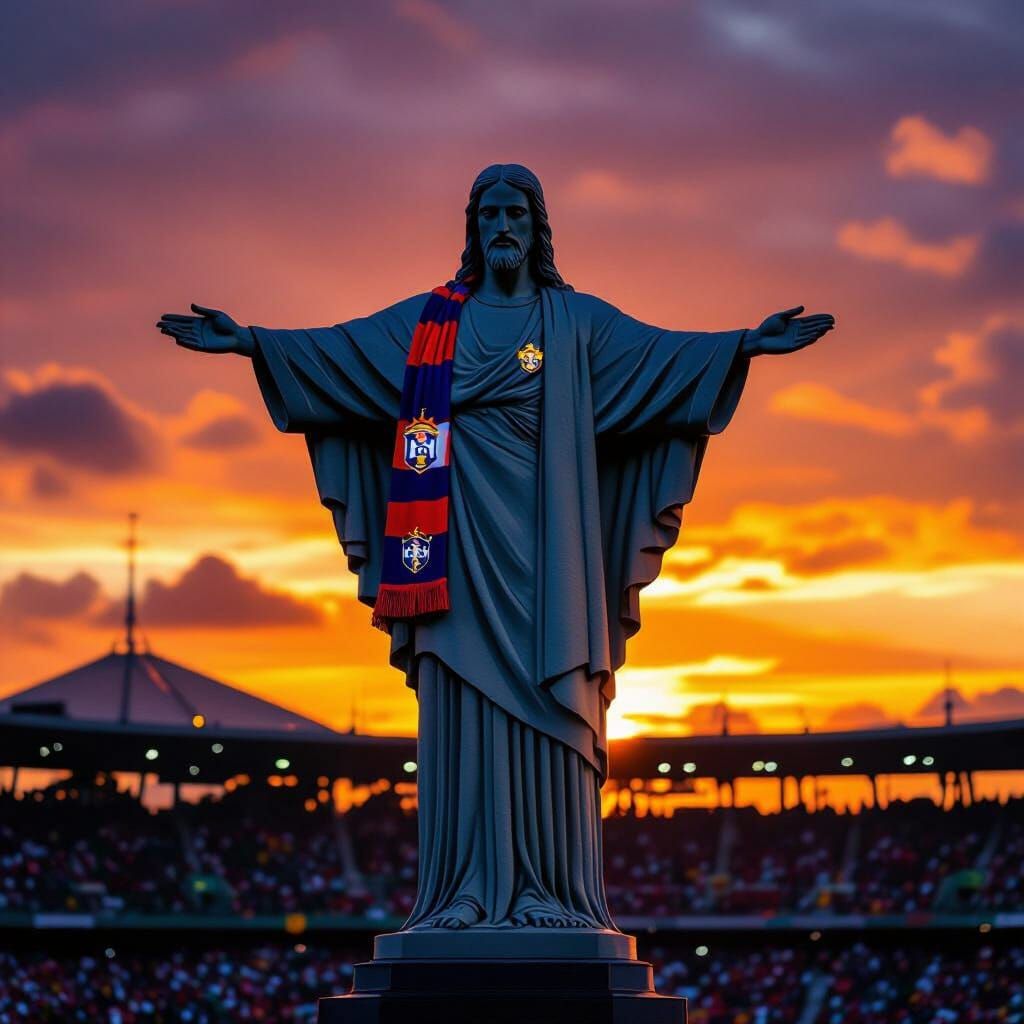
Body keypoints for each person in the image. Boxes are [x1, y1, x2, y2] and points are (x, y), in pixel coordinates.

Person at [157, 163, 834, 931]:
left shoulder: (573, 323)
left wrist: (744, 345)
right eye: (489, 215)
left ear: (537, 227)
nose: (502, 226)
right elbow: (344, 355)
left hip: (550, 550)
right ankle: (465, 890)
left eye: (515, 213)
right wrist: (251, 343)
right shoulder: (431, 325)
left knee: (550, 701)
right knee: (461, 703)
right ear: (473, 229)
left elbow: (660, 360)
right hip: (451, 544)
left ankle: (549, 889)